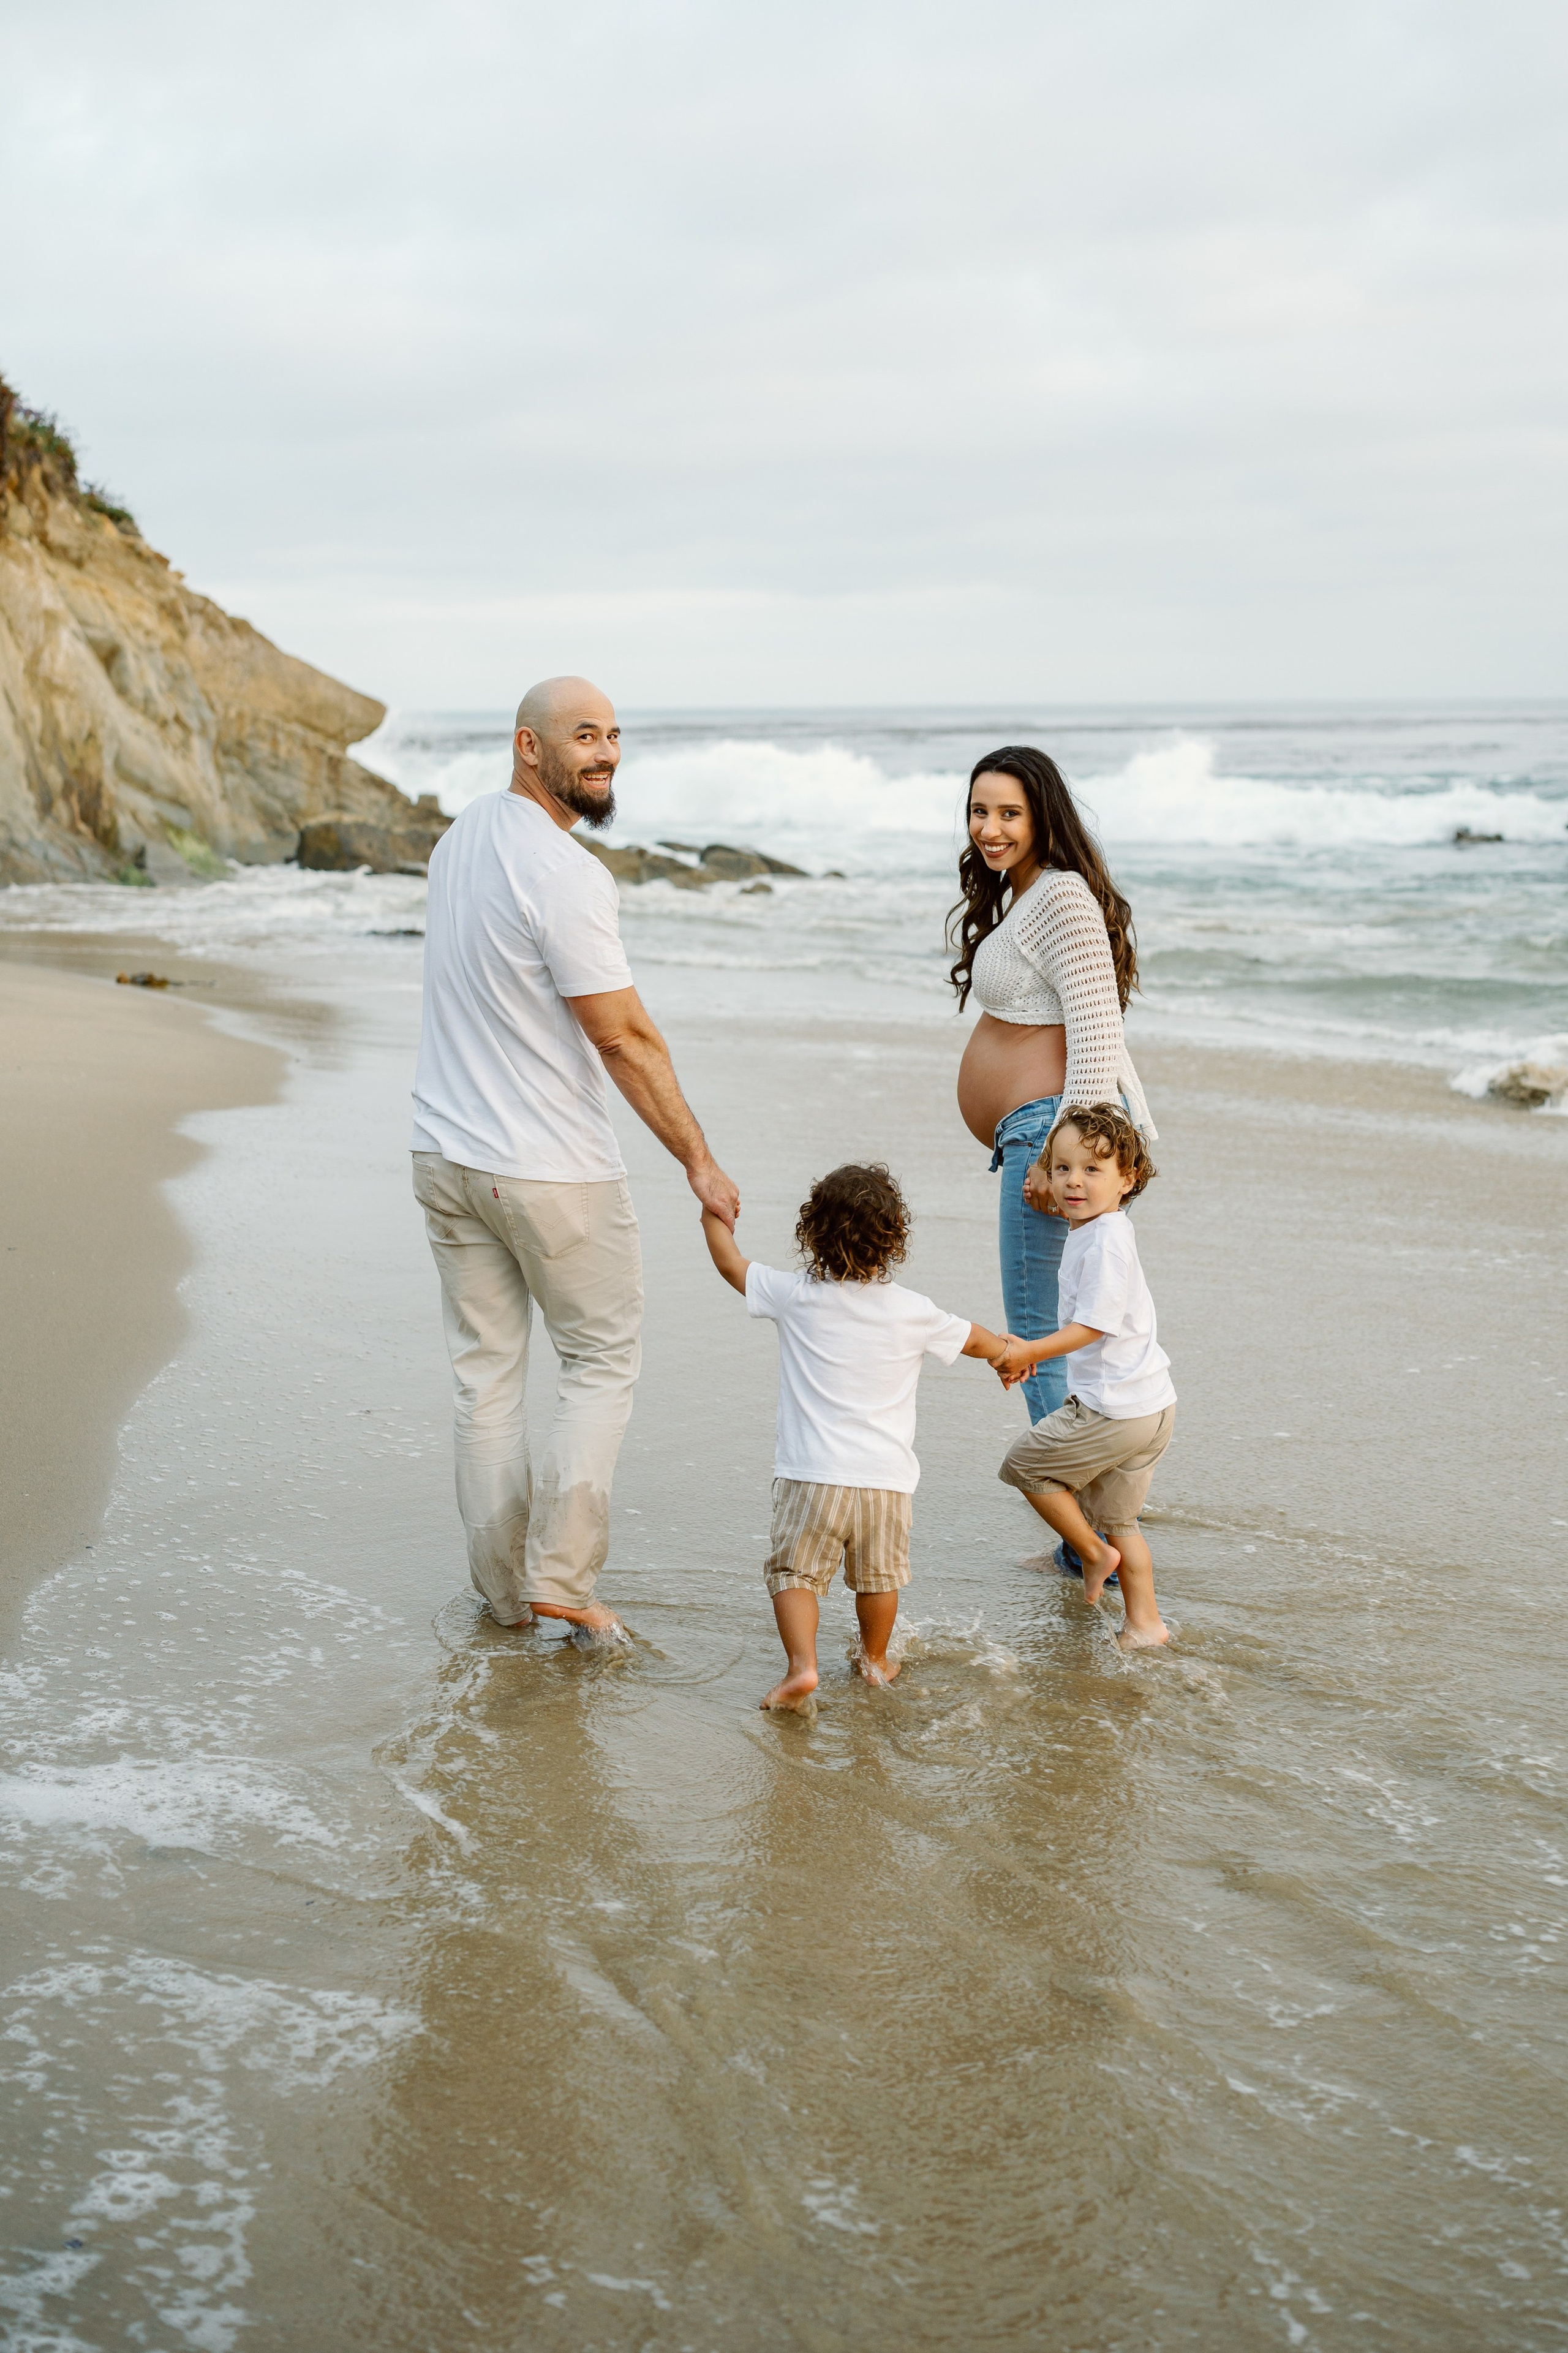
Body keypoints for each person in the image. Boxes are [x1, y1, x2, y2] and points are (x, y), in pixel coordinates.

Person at [409, 675, 740, 1641]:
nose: (604, 754)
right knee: (599, 1363)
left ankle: (505, 1597)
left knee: (486, 1380)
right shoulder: (565, 873)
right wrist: (699, 1161)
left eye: (614, 736)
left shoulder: (459, 837)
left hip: (445, 1157)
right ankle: (563, 1576)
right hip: (550, 1167)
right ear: (529, 747)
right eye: (582, 736)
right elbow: (624, 1036)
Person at [700, 1162, 1020, 1710]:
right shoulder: (913, 1310)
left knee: (793, 1572)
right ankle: (875, 1662)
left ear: (812, 1233)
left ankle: (802, 1667)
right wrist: (1008, 1354)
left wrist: (713, 1211)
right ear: (895, 1237)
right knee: (877, 1578)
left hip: (810, 1476)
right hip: (885, 1484)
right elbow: (974, 1340)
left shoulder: (794, 1295)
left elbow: (731, 1265)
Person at [948, 746, 1155, 1429]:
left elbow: (1097, 1034)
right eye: (980, 811)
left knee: (1037, 1332)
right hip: (1040, 1133)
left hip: (1050, 1133)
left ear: (1043, 817)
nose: (990, 828)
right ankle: (1093, 1506)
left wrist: (1055, 1158)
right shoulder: (1023, 891)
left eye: (1010, 813)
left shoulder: (1060, 894)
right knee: (1059, 1324)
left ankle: (1081, 1523)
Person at [993, 1105, 1175, 1649]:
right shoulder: (1101, 1231)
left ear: (1128, 1180)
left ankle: (1092, 1554)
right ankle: (1145, 1624)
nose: (1074, 1180)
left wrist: (1030, 1349)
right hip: (1150, 1406)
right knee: (1122, 1521)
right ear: (1046, 1174)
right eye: (1063, 1167)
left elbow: (1094, 1325)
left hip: (1113, 1409)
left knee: (1025, 1466)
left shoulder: (1105, 1241)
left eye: (1093, 1170)